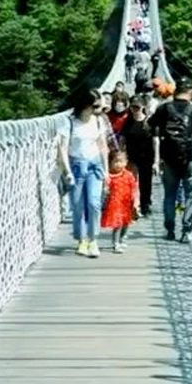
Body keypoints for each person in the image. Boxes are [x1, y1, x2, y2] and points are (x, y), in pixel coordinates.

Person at [150, 77, 192, 244]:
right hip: (190, 157)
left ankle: (170, 230)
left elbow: (150, 124)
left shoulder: (164, 108)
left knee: (170, 195)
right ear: (191, 93)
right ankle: (187, 231)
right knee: (190, 194)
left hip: (169, 158)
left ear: (175, 91)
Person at [58, 86, 109, 258]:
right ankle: (82, 240)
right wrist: (67, 171)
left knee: (94, 203)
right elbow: (63, 148)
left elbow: (103, 146)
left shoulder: (98, 121)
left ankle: (93, 239)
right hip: (77, 166)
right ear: (84, 105)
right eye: (94, 106)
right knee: (78, 206)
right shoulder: (69, 122)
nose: (97, 110)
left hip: (95, 165)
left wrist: (107, 171)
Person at [101, 148, 139, 253]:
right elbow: (106, 189)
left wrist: (136, 201)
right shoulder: (109, 176)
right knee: (117, 224)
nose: (118, 164)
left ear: (126, 162)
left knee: (126, 223)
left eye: (121, 161)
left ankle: (123, 238)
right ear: (111, 163)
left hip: (126, 204)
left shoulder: (129, 175)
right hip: (115, 205)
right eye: (116, 162)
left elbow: (134, 188)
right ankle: (116, 243)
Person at [122, 96, 155, 216]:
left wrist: (157, 160)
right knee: (132, 182)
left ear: (143, 107)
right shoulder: (128, 122)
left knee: (146, 182)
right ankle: (133, 205)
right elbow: (123, 139)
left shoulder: (149, 122)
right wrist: (122, 155)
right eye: (132, 107)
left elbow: (155, 141)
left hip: (147, 156)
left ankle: (145, 205)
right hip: (132, 157)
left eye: (137, 107)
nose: (134, 110)